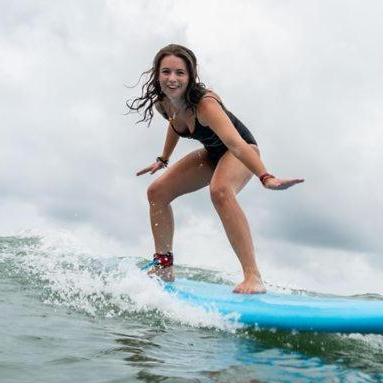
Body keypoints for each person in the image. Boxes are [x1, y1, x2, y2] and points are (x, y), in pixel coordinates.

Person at [128, 44, 304, 294]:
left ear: (191, 76)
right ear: (157, 74)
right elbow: (175, 124)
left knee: (220, 190)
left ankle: (253, 277)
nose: (172, 78)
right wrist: (163, 158)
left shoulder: (205, 105)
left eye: (180, 73)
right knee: (157, 192)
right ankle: (163, 266)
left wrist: (266, 177)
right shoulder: (164, 104)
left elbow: (236, 144)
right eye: (166, 72)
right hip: (213, 154)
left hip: (241, 151)